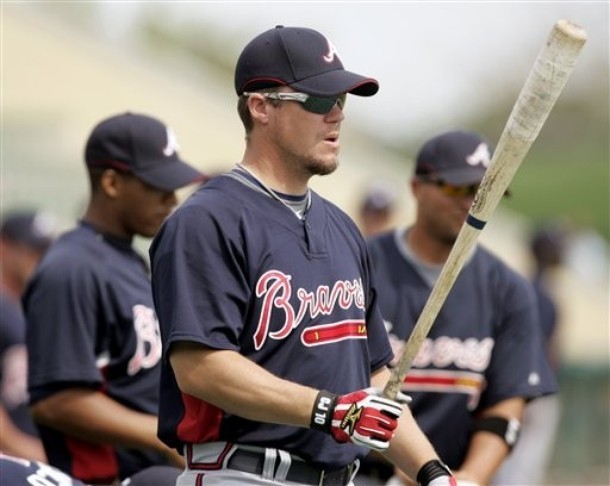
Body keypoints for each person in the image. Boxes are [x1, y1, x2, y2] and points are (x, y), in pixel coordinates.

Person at [149, 25, 456, 486]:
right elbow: (200, 368)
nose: (336, 115)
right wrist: (329, 411)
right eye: (317, 101)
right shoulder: (208, 219)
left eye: (342, 102)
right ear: (260, 106)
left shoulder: (343, 229)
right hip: (243, 471)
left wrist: (434, 475)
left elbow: (373, 379)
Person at [365, 130, 558, 486]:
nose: (472, 202)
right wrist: (409, 468)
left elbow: (506, 403)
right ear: (416, 187)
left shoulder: (508, 288)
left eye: (484, 192)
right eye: (458, 188)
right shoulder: (360, 265)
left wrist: (468, 478)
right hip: (360, 473)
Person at [23, 112, 205, 484]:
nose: (172, 199)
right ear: (111, 182)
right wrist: (165, 436)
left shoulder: (129, 260)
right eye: (158, 186)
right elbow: (56, 401)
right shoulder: (70, 267)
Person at [491, 223, 566, 485]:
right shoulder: (547, 298)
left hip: (509, 386)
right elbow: (551, 352)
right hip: (539, 390)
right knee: (524, 471)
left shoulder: (517, 289)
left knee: (502, 463)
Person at [0, 209, 57, 462]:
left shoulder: (35, 311)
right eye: (32, 252)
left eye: (46, 252)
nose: (41, 260)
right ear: (3, 247)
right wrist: (29, 452)